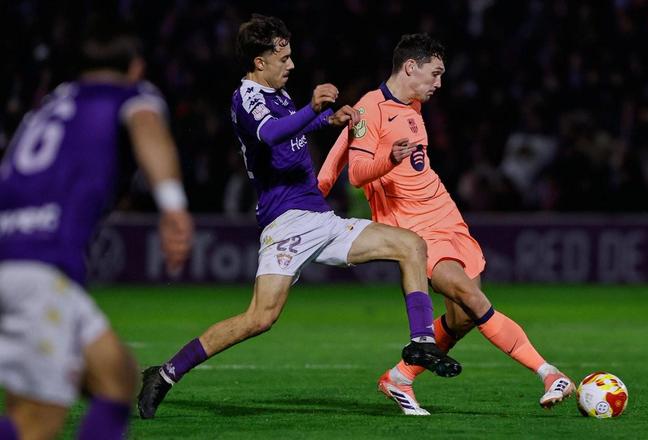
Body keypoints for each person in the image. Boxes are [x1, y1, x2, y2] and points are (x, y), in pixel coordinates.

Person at [137, 14, 460, 420]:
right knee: (259, 318)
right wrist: (313, 108)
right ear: (259, 62)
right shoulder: (247, 98)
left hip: (319, 217)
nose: (291, 64)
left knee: (411, 245)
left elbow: (291, 134)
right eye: (283, 58)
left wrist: (327, 120)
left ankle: (421, 342)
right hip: (287, 221)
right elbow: (271, 134)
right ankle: (165, 373)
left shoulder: (279, 94)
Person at [318, 33, 574, 416]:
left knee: (463, 317)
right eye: (435, 73)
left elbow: (345, 143)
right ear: (410, 67)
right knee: (473, 299)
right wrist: (375, 165)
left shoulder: (412, 104)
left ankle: (399, 377)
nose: (440, 83)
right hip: (415, 230)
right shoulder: (371, 107)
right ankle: (549, 373)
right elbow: (356, 173)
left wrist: (323, 179)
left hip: (446, 215)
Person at [0, 20, 194, 439]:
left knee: (116, 375)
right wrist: (173, 206)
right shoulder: (131, 94)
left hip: (14, 256)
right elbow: (147, 126)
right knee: (36, 424)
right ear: (135, 67)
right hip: (39, 267)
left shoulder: (51, 102)